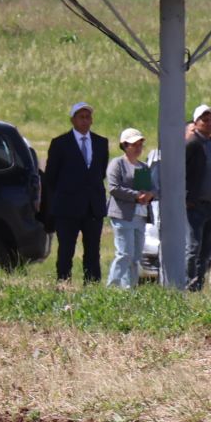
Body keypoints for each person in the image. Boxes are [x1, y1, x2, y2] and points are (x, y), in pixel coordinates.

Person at [41, 101, 108, 283]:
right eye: (81, 117)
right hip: (67, 207)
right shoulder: (60, 144)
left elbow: (100, 172)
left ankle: (92, 285)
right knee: (66, 249)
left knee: (93, 250)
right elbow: (51, 177)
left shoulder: (101, 143)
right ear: (73, 120)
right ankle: (64, 282)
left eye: (88, 117)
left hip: (92, 207)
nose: (85, 121)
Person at [104, 129, 155, 289]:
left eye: (140, 144)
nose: (138, 147)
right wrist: (135, 196)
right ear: (125, 145)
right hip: (123, 215)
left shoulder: (144, 167)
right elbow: (113, 188)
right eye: (134, 144)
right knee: (124, 253)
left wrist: (150, 195)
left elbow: (152, 189)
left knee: (135, 257)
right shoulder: (117, 164)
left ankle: (129, 289)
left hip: (140, 216)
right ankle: (113, 286)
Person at [184, 104, 211, 292]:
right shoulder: (192, 144)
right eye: (204, 120)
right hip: (195, 204)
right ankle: (189, 285)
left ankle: (198, 285)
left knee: (206, 250)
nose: (209, 123)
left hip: (210, 204)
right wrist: (186, 197)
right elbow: (180, 171)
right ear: (196, 122)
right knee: (193, 247)